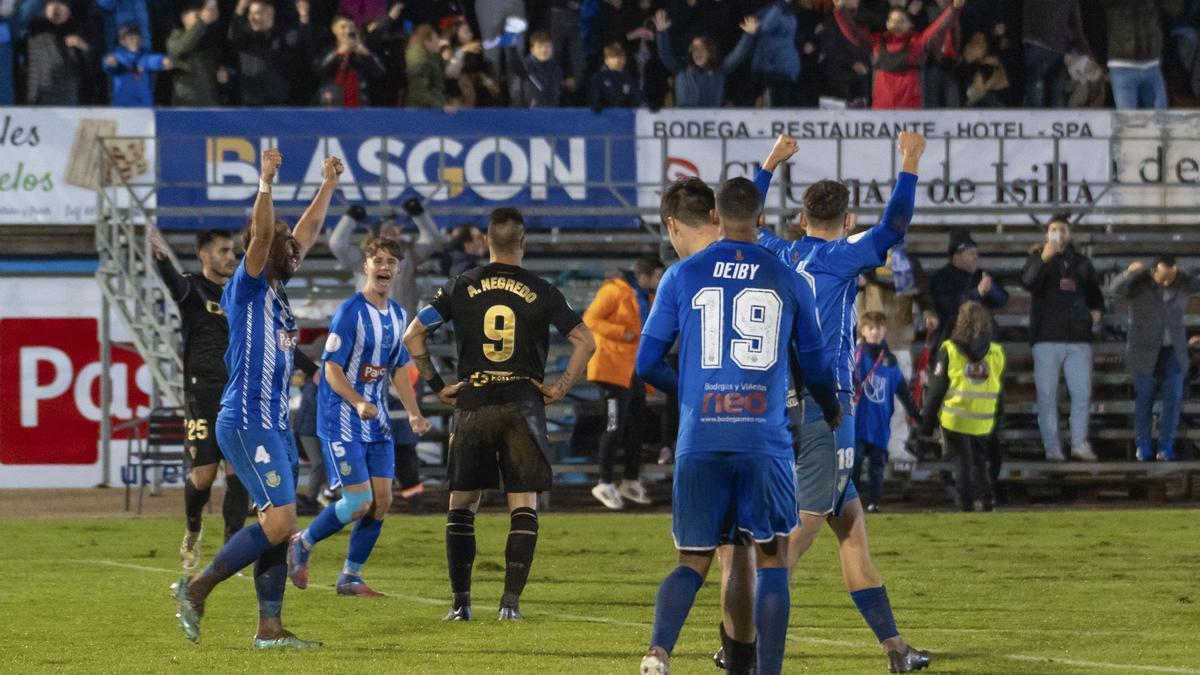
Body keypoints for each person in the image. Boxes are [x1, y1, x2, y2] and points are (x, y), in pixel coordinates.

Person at [637, 177, 838, 675]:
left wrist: (693, 390)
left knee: (693, 560)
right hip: (762, 437)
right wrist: (830, 407)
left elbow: (646, 362)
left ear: (716, 217)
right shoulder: (787, 274)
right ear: (761, 217)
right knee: (771, 559)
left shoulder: (682, 275)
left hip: (700, 434)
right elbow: (814, 362)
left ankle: (658, 651)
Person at [751, 132, 931, 673]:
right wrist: (910, 162)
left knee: (850, 528)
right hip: (828, 409)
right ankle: (747, 638)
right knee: (801, 530)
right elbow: (895, 227)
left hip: (782, 403)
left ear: (801, 220)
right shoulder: (842, 255)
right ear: (847, 220)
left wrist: (769, 165)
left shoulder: (778, 250)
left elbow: (739, 222)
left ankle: (896, 651)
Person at [173, 148, 341, 649]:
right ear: (264, 251)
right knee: (282, 519)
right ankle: (196, 588)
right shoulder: (246, 287)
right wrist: (265, 183)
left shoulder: (278, 291)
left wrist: (327, 185)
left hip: (275, 424)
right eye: (287, 247)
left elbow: (303, 234)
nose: (296, 251)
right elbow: (266, 236)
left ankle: (270, 629)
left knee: (277, 523)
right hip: (246, 421)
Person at [404, 207, 596, 622]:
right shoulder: (542, 289)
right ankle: (510, 603)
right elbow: (585, 340)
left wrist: (438, 386)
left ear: (488, 242)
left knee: (462, 503)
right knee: (522, 502)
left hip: (475, 401)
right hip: (522, 404)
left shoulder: (462, 284)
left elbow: (413, 335)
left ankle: (461, 603)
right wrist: (560, 388)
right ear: (523, 242)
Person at [287, 237, 432, 597]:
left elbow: (399, 369)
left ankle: (350, 576)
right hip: (341, 418)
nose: (384, 267)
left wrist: (414, 414)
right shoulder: (351, 313)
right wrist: (356, 402)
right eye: (377, 260)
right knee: (358, 502)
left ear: (398, 270)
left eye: (391, 262)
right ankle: (302, 543)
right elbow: (331, 370)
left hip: (377, 420)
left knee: (383, 501)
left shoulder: (398, 315)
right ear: (365, 266)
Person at [148, 226, 250, 571]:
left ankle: (231, 548)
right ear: (205, 255)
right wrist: (161, 260)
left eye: (232, 251)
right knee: (203, 478)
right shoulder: (192, 287)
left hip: (237, 392)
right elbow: (174, 285)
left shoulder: (240, 292)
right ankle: (193, 529)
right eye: (223, 251)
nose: (230, 256)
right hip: (201, 393)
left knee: (239, 473)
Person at [1021, 216, 1104, 462]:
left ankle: (1079, 443)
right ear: (1046, 235)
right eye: (1053, 229)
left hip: (1078, 338)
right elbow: (1026, 281)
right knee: (1047, 397)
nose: (1058, 233)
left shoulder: (1081, 263)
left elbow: (1095, 295)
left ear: (1069, 234)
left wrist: (1096, 311)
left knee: (1081, 393)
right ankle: (1052, 448)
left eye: (1062, 229)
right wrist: (1045, 256)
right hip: (1046, 337)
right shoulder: (1038, 259)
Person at [585, 256, 664, 511]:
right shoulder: (614, 291)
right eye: (657, 276)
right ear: (644, 276)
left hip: (631, 372)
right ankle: (604, 481)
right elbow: (590, 319)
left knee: (637, 427)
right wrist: (623, 333)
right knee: (613, 426)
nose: (659, 281)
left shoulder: (645, 297)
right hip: (610, 370)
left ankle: (629, 480)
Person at [1110, 257, 1200, 461]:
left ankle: (1165, 446)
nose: (1167, 281)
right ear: (1153, 272)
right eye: (1163, 276)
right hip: (1143, 350)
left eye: (1171, 276)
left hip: (1173, 351)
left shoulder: (1182, 283)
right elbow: (1115, 288)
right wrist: (1129, 273)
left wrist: (1181, 273)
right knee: (1144, 399)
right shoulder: (1139, 284)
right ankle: (1142, 444)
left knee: (1173, 399)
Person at [919, 301, 1006, 511]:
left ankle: (965, 503)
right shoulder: (996, 352)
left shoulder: (949, 350)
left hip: (956, 417)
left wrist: (926, 427)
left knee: (963, 462)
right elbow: (999, 391)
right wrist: (998, 422)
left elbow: (936, 391)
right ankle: (987, 500)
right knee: (979, 461)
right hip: (984, 418)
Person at [857, 244, 938, 464]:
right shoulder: (867, 259)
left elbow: (923, 293)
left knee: (899, 401)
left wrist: (928, 311)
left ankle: (896, 444)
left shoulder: (909, 263)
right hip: (870, 343)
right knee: (866, 400)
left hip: (900, 340)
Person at [831, 0, 964, 110]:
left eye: (901, 21)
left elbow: (939, 28)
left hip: (910, 110)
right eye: (892, 20)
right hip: (881, 110)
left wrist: (954, 9)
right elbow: (854, 33)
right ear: (887, 24)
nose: (896, 24)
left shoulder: (918, 43)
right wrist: (840, 10)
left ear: (910, 25)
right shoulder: (876, 42)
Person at [328, 200, 448, 321]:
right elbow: (337, 244)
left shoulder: (408, 255)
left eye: (394, 230)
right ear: (377, 234)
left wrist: (419, 214)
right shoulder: (364, 258)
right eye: (387, 232)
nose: (393, 234)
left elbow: (432, 241)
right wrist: (350, 217)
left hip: (402, 326)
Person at [853, 311, 922, 513]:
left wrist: (916, 414)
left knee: (877, 468)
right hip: (858, 423)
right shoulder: (855, 356)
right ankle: (852, 505)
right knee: (854, 466)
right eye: (871, 328)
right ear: (863, 330)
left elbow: (902, 391)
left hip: (880, 425)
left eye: (879, 328)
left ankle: (874, 502)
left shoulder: (890, 361)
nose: (876, 332)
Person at [654, 8, 758, 107]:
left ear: (710, 53)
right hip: (685, 120)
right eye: (694, 50)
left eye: (702, 50)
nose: (698, 53)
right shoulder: (681, 69)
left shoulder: (720, 69)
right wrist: (661, 33)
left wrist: (748, 35)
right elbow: (665, 53)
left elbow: (738, 55)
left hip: (713, 120)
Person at [228, 0, 313, 106]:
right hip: (249, 105)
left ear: (270, 13)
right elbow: (233, 37)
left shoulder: (283, 36)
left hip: (278, 106)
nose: (251, 17)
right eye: (250, 13)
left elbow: (303, 46)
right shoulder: (246, 38)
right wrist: (240, 9)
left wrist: (304, 18)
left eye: (257, 13)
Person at [931, 230, 1009, 342]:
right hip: (954, 340)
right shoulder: (942, 278)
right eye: (971, 254)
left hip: (983, 339)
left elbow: (1003, 299)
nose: (975, 257)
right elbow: (949, 306)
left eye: (976, 253)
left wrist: (992, 288)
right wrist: (978, 292)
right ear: (956, 256)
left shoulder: (980, 275)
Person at [1098, 0, 1173, 110]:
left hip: (1152, 64)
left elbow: (1173, 8)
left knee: (1161, 121)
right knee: (1128, 122)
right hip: (1122, 66)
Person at [1021, 0, 1092, 108]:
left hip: (1039, 44)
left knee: (1038, 92)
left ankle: (1037, 122)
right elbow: (1076, 27)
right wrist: (1087, 52)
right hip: (1053, 47)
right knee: (1053, 93)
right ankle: (1049, 120)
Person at [24, 0, 90, 106]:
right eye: (52, 4)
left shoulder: (80, 31)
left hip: (67, 101)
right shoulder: (35, 29)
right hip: (37, 99)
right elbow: (25, 13)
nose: (56, 8)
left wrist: (85, 49)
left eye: (61, 4)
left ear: (69, 11)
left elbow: (91, 69)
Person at [314, 14, 385, 107]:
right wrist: (337, 53)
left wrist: (366, 53)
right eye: (343, 27)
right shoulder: (327, 50)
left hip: (359, 111)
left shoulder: (361, 54)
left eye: (351, 27)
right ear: (334, 29)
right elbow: (319, 70)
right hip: (333, 109)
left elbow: (380, 71)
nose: (348, 30)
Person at [167, 1, 222, 107]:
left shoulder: (209, 38)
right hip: (186, 103)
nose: (200, 18)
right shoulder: (175, 37)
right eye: (196, 15)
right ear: (183, 17)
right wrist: (202, 22)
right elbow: (181, 49)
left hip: (210, 103)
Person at [103, 23, 172, 107]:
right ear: (122, 41)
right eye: (128, 37)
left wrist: (163, 61)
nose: (132, 40)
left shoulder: (145, 56)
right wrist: (109, 63)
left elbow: (153, 61)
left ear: (140, 40)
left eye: (135, 37)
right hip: (121, 107)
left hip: (143, 106)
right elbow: (109, 66)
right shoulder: (118, 56)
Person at [749, 0, 801, 107]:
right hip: (770, 67)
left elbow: (791, 37)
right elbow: (765, 27)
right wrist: (779, 5)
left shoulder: (790, 11)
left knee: (782, 107)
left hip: (786, 68)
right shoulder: (767, 10)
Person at [587, 42, 644, 110]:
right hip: (605, 118)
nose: (617, 60)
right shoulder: (598, 79)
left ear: (625, 59)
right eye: (613, 57)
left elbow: (637, 99)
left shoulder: (630, 79)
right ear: (606, 60)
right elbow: (593, 100)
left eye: (621, 56)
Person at [513, 30, 563, 108]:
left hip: (552, 115)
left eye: (547, 46)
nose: (544, 50)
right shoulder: (524, 68)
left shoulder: (556, 68)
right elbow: (516, 94)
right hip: (529, 115)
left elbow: (557, 95)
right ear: (532, 50)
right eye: (539, 47)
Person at [405, 23, 448, 108]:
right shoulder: (419, 61)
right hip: (421, 111)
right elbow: (419, 91)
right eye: (436, 38)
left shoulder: (431, 58)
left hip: (429, 108)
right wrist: (441, 105)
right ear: (427, 42)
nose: (439, 41)